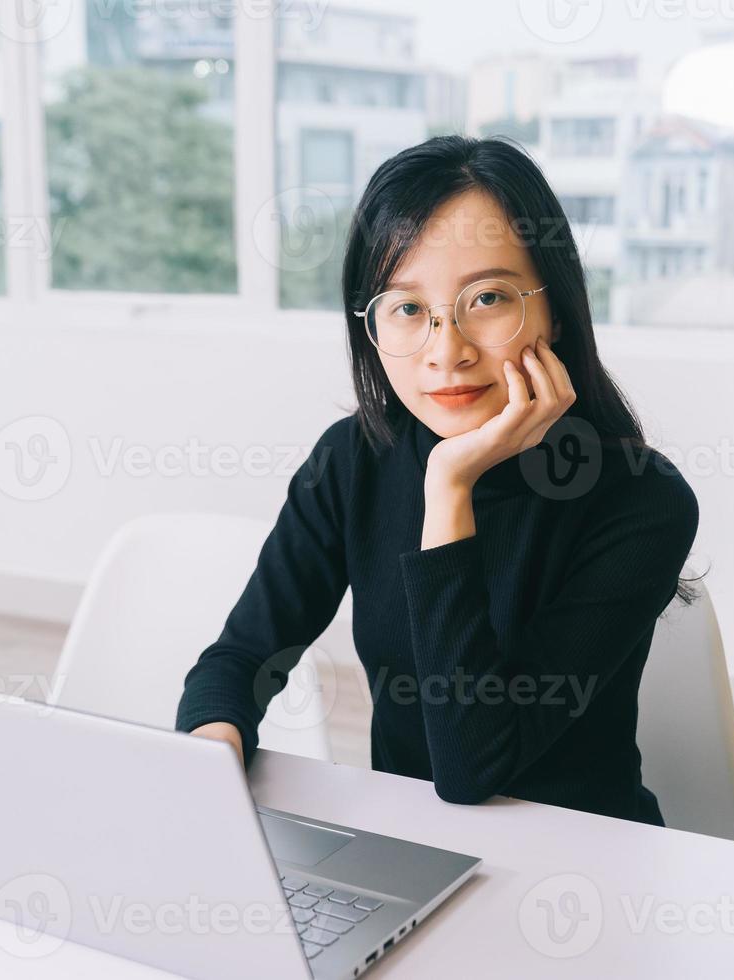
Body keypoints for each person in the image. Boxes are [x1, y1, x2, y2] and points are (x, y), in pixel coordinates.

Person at [175, 135, 698, 825]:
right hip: (411, 856)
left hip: (584, 868)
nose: (446, 351)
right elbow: (239, 659)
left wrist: (449, 488)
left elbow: (473, 769)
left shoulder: (641, 501)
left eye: (486, 299)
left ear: (557, 309)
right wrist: (210, 761)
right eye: (408, 308)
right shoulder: (352, 461)